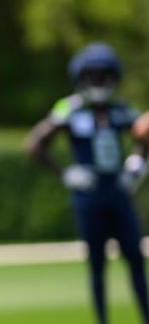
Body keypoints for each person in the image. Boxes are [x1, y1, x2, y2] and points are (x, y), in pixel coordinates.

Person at [25, 42, 149, 324]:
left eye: (103, 74)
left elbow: (143, 136)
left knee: (135, 257)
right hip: (88, 195)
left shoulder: (121, 108)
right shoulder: (69, 108)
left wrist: (136, 164)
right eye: (92, 75)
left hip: (117, 191)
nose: (98, 80)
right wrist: (64, 173)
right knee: (97, 263)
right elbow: (34, 144)